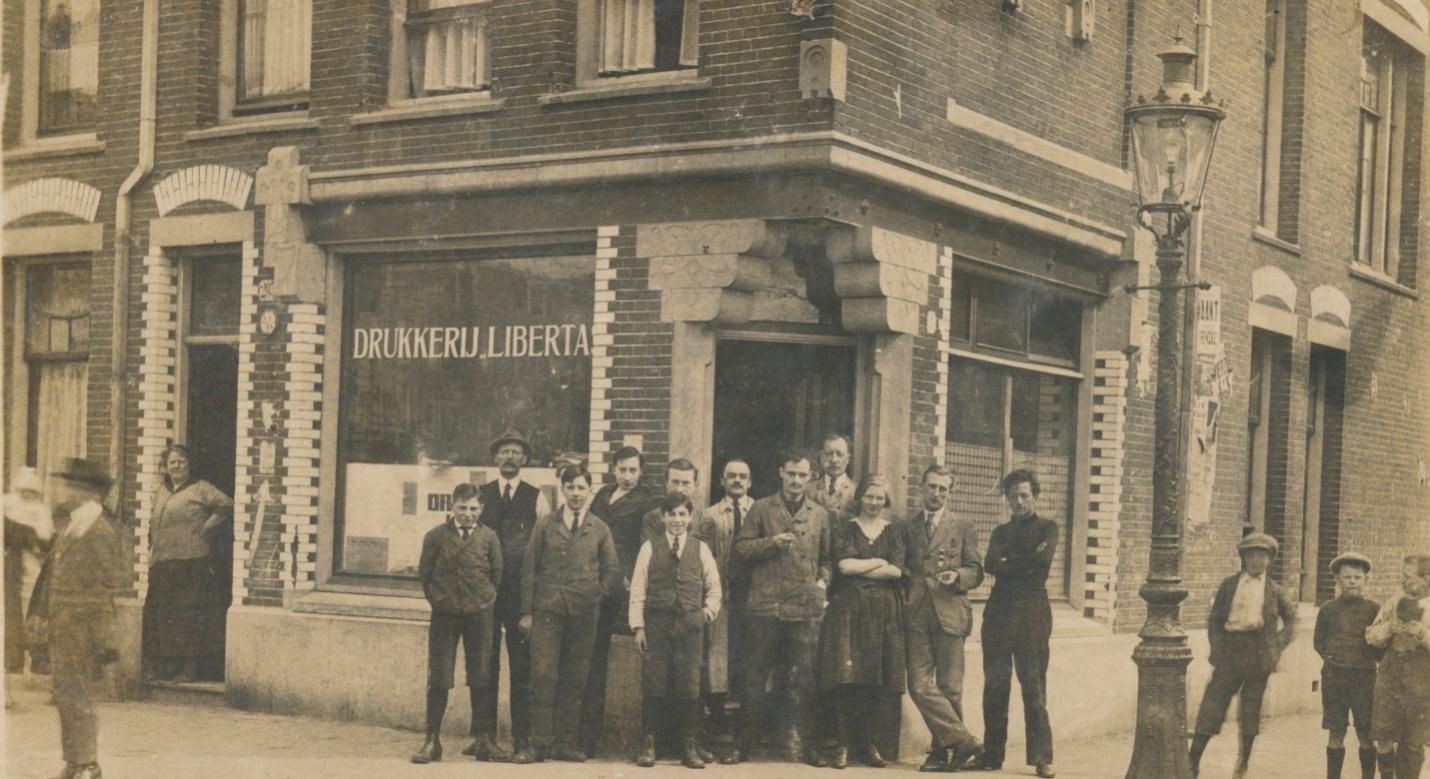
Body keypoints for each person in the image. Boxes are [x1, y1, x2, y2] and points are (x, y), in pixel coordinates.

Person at [732, 448, 831, 767]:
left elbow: (827, 559)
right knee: (754, 677)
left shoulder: (819, 514)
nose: (796, 480)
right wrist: (771, 543)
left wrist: (822, 583)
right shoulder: (761, 509)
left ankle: (806, 747)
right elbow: (741, 549)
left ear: (810, 477)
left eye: (802, 475)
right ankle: (743, 746)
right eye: (791, 474)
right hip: (766, 606)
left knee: (804, 679)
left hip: (802, 608)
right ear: (781, 473)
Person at [515, 465, 620, 765]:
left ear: (590, 491)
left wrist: (595, 595)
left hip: (583, 614)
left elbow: (611, 570)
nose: (576, 493)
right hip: (548, 611)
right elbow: (529, 569)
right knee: (543, 675)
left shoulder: (599, 528)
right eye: (571, 487)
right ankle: (539, 744)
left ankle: (565, 742)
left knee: (576, 677)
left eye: (581, 488)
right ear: (562, 489)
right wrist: (527, 612)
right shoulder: (545, 525)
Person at [32, 458, 125, 779]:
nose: (68, 492)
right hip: (64, 624)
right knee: (65, 691)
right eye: (69, 485)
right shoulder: (74, 524)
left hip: (84, 625)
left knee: (79, 693)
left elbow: (108, 582)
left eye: (75, 486)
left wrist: (92, 625)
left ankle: (88, 763)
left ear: (92, 492)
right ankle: (74, 759)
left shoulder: (100, 529)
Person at [1188, 532, 1298, 779]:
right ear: (1244, 558)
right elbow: (1215, 620)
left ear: (1269, 560)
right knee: (1213, 703)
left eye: (1263, 556)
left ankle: (1243, 762)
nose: (1258, 561)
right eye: (1252, 555)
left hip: (1259, 652)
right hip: (1230, 651)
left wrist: (1275, 646)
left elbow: (1292, 621)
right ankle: (1193, 759)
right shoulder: (1229, 586)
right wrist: (1217, 649)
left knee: (1251, 708)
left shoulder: (1275, 590)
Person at [817, 473, 907, 769]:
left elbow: (897, 571)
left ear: (886, 500)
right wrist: (879, 562)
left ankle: (868, 745)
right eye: (869, 496)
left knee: (873, 679)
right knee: (846, 678)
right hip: (849, 609)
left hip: (883, 613)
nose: (874, 502)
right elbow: (843, 566)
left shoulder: (893, 531)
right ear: (860, 498)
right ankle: (841, 745)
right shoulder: (845, 527)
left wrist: (863, 566)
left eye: (880, 498)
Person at [972, 468, 1057, 778]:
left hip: (1032, 615)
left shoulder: (1048, 528)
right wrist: (1024, 561)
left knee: (1033, 685)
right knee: (995, 684)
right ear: (1006, 498)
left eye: (1024, 495)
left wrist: (1009, 562)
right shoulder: (1000, 532)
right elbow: (990, 563)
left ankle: (1041, 758)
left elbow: (1043, 563)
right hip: (998, 614)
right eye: (1013, 496)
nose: (1019, 501)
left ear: (1035, 496)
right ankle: (992, 755)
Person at [411, 483, 504, 764]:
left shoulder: (490, 537)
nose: (467, 514)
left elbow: (496, 574)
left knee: (481, 675)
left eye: (473, 508)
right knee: (439, 676)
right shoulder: (436, 537)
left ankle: (484, 740)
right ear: (452, 507)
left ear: (481, 509)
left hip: (479, 613)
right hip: (446, 614)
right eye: (462, 507)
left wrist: (483, 599)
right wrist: (440, 599)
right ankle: (432, 741)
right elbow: (425, 574)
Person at [630, 491, 722, 769]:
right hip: (657, 625)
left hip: (690, 627)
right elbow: (638, 590)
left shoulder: (700, 549)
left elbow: (714, 588)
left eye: (682, 514)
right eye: (672, 514)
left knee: (689, 684)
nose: (677, 520)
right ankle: (649, 744)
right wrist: (638, 627)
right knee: (654, 681)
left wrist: (705, 614)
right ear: (663, 517)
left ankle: (689, 746)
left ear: (690, 517)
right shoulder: (649, 548)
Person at [473, 429, 550, 760]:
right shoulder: (481, 495)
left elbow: (544, 547)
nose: (509, 457)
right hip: (487, 595)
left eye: (516, 452)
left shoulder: (537, 497)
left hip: (520, 596)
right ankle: (484, 736)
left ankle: (521, 737)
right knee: (484, 665)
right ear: (495, 457)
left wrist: (533, 601)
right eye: (504, 451)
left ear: (525, 459)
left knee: (522, 668)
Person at [904, 464, 986, 772]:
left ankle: (942, 754)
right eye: (932, 486)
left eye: (943, 488)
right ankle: (964, 741)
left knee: (950, 687)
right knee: (918, 685)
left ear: (950, 493)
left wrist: (957, 577)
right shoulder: (907, 526)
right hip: (916, 614)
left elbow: (976, 571)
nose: (936, 493)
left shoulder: (963, 526)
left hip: (950, 612)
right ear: (922, 488)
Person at [583, 445, 654, 757]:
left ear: (641, 472)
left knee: (600, 654)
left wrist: (629, 576)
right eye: (622, 469)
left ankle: (594, 737)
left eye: (633, 470)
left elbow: (645, 545)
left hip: (619, 585)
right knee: (587, 655)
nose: (627, 476)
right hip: (592, 578)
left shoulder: (647, 501)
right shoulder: (601, 495)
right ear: (614, 469)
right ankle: (581, 733)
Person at [141, 444, 234, 683]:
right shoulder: (162, 491)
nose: (176, 466)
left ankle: (189, 669)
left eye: (181, 461)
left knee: (188, 617)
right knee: (162, 616)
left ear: (189, 464)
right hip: (163, 562)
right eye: (172, 462)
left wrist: (205, 528)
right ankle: (165, 668)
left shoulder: (201, 488)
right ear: (166, 466)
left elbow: (226, 505)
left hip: (191, 563)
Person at [693, 458, 753, 763]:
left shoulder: (759, 511)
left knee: (747, 660)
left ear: (750, 482)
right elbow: (702, 556)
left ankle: (745, 730)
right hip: (722, 596)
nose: (737, 481)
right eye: (732, 476)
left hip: (751, 598)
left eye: (743, 476)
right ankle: (716, 725)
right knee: (717, 659)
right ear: (722, 480)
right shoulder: (710, 515)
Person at [1314, 552, 1380, 779]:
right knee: (1336, 731)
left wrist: (1365, 660)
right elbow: (1319, 642)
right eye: (1347, 577)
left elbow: (1380, 645)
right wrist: (1335, 659)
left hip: (1365, 678)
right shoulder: (1328, 610)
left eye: (1357, 577)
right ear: (1337, 580)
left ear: (1366, 580)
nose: (1352, 582)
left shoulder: (1374, 610)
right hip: (1335, 678)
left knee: (1366, 732)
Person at [1366, 554, 1430, 779]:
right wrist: (1388, 629)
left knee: (1413, 741)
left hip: (1422, 681)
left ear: (1426, 579)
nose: (1402, 581)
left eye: (1408, 576)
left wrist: (1423, 634)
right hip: (1390, 677)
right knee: (1384, 734)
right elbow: (1371, 636)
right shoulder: (1394, 603)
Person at [5, 468, 53, 681]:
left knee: (30, 606)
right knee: (10, 609)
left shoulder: (41, 511)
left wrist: (32, 539)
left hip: (32, 564)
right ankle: (11, 658)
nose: (26, 495)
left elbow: (44, 539)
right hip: (9, 561)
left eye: (31, 491)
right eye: (23, 490)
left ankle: (33, 658)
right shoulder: (7, 505)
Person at [808, 433, 854, 517]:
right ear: (821, 457)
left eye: (839, 454)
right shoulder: (808, 490)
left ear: (848, 459)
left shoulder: (856, 491)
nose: (834, 460)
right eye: (828, 454)